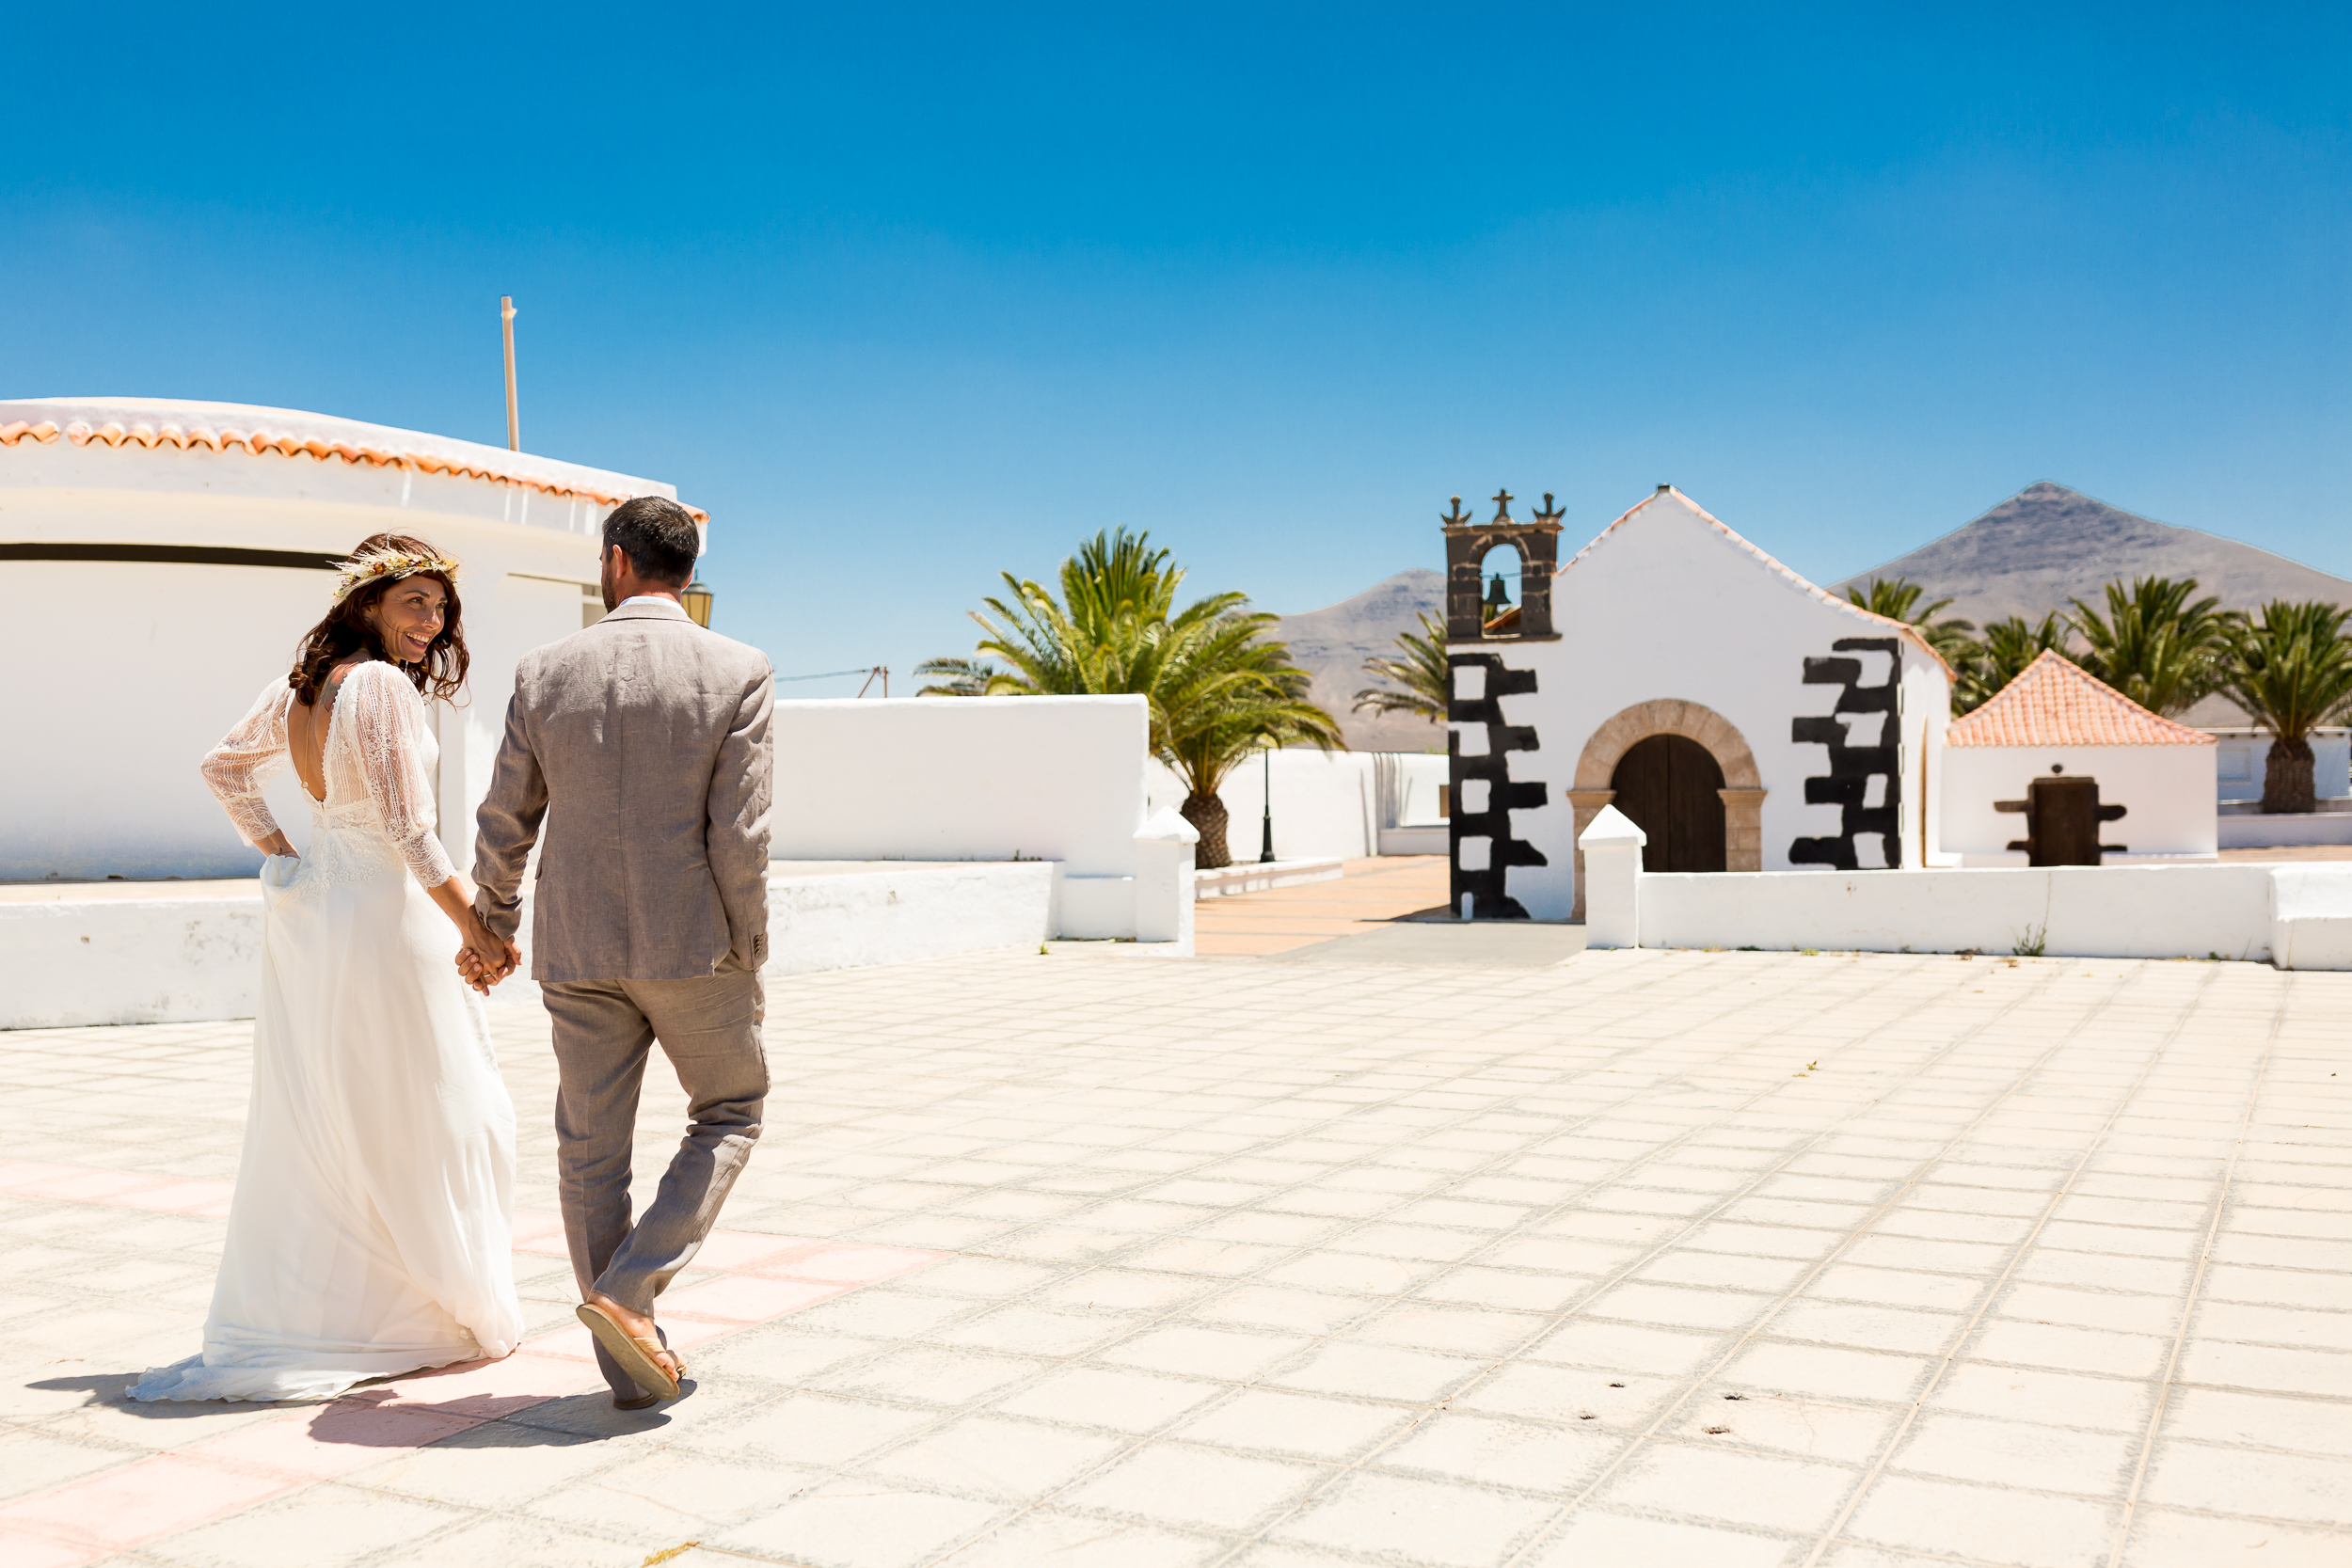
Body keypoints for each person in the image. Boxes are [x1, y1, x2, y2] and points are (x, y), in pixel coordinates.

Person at [132, 535, 525, 1402]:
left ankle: (356, 1302)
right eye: (414, 602)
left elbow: (223, 767)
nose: (432, 621)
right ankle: (426, 1304)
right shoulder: (379, 686)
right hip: (386, 916)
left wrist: (286, 857)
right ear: (369, 604)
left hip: (321, 912)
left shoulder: (301, 689)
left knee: (343, 1107)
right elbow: (410, 832)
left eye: (440, 607)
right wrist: (482, 929)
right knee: (435, 1106)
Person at [462, 496, 774, 1410]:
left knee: (590, 1153)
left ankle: (627, 1367)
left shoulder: (543, 671)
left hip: (578, 943)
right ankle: (628, 1296)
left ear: (613, 562)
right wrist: (747, 944)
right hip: (694, 947)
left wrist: (494, 919)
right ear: (686, 571)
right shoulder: (739, 669)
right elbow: (741, 834)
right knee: (732, 1108)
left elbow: (504, 815)